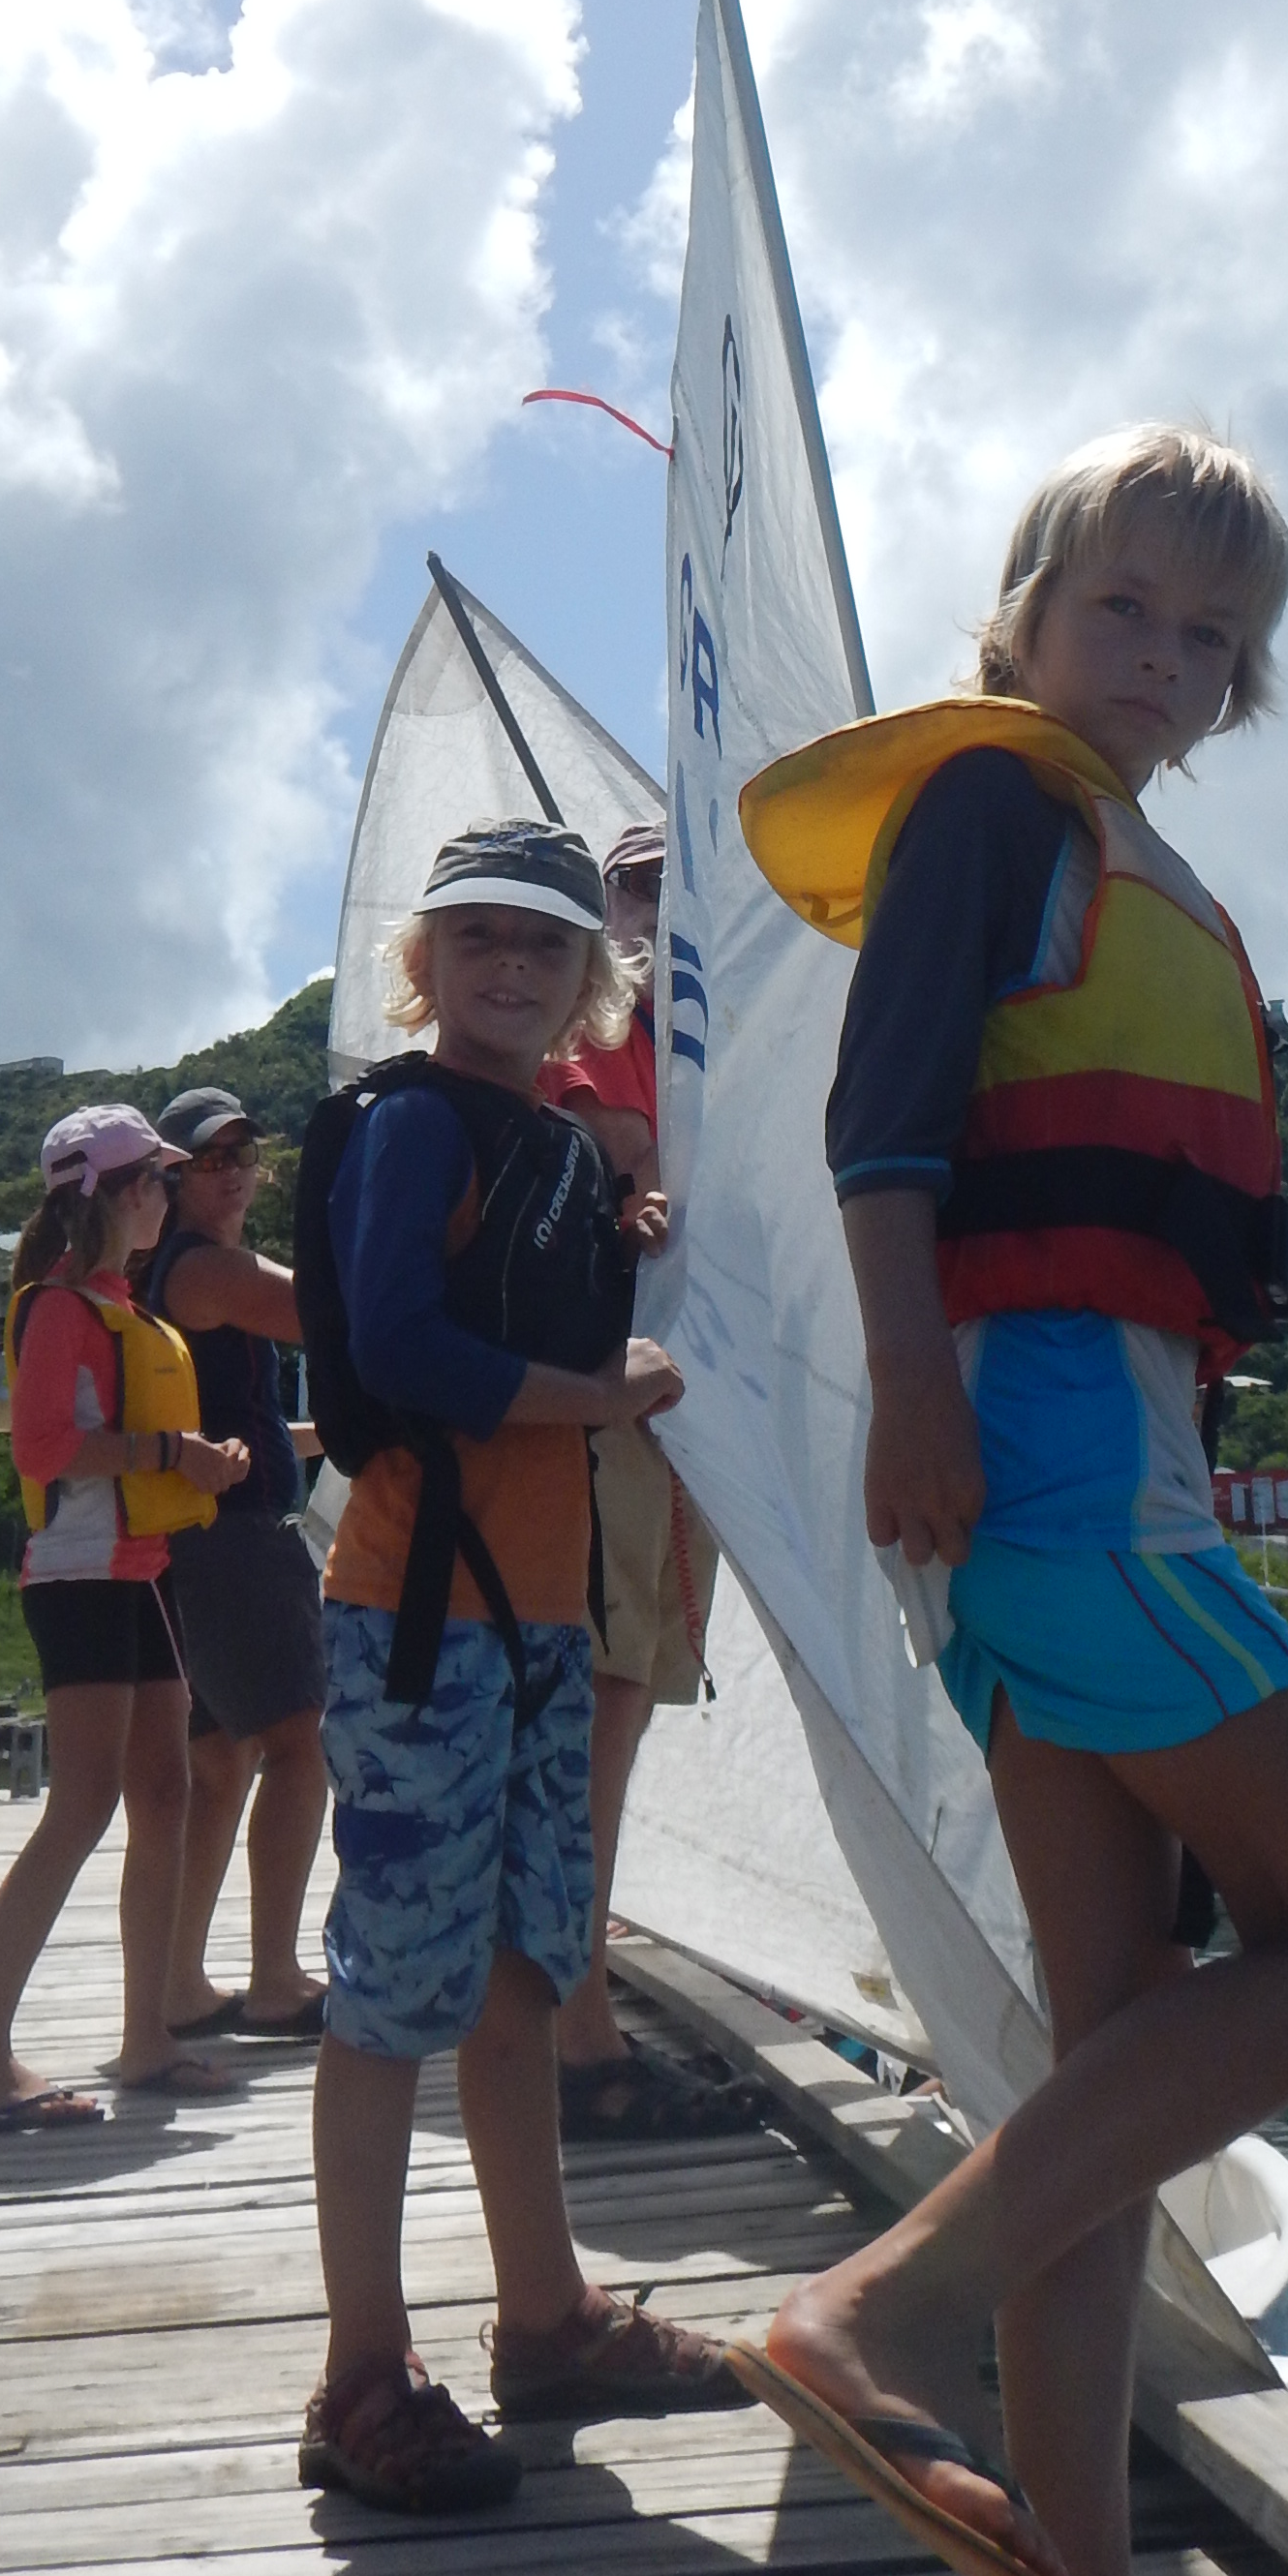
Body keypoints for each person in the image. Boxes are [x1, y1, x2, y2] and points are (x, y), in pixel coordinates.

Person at [726, 426, 1288, 2576]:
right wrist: (913, 1387)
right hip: (1036, 1440)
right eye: (1123, 606)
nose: (1162, 657)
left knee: (1108, 2086)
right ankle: (876, 2313)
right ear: (1025, 609)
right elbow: (883, 1123)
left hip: (1080, 1445)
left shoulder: (1126, 853)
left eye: (1210, 636)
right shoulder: (996, 807)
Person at [291, 819, 744, 2511]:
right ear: (422, 965)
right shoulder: (412, 1124)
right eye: (475, 934)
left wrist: (630, 1209)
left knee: (522, 1976)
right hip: (424, 1615)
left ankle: (546, 2317)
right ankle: (360, 2370)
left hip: (542, 1621)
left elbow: (550, 1283)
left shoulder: (551, 1144)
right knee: (390, 1993)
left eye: (544, 943)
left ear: (586, 983)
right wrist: (602, 1394)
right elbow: (402, 1344)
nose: (508, 963)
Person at [0, 1106, 246, 2128]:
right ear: (120, 1195)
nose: (168, 1196)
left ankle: (146, 2037)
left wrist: (201, 1460)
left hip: (137, 1572)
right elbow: (43, 1450)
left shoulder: (114, 1305)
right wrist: (173, 1456)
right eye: (157, 1181)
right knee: (82, 1807)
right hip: (81, 1576)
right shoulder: (63, 1309)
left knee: (164, 1792)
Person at [537, 820, 751, 2143]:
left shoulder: (714, 1031)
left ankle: (571, 2006)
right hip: (616, 1397)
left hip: (680, 1409)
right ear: (610, 906)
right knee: (601, 1706)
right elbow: (618, 1161)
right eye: (640, 884)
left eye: (684, 881)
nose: (663, 905)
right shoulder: (607, 1021)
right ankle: (577, 2040)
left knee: (622, 1701)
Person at [142, 1087, 326, 2043]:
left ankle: (178, 1983)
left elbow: (242, 1423)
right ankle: (276, 1979)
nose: (233, 1174)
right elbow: (326, 1311)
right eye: (210, 1159)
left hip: (187, 1541)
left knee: (218, 1766)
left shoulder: (169, 1271)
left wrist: (329, 1433)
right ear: (173, 1178)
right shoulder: (207, 1269)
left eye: (244, 1155)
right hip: (236, 1540)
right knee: (300, 1747)